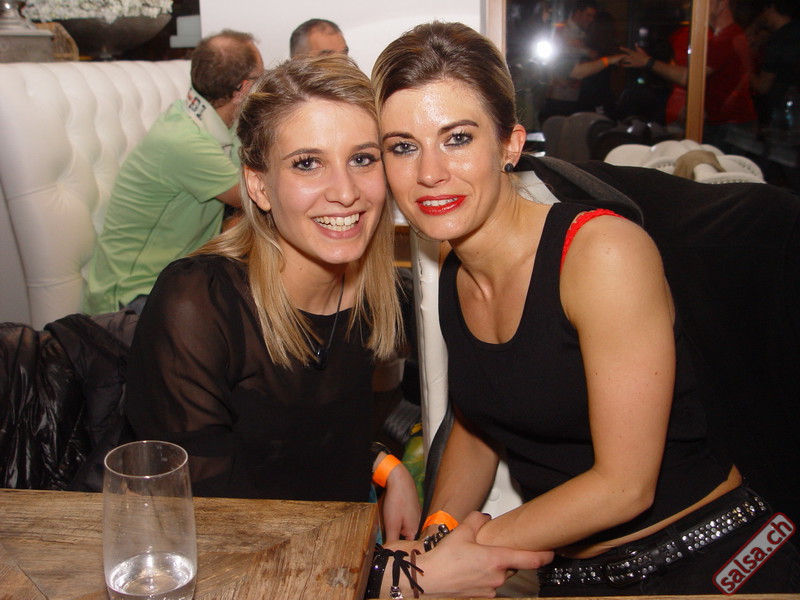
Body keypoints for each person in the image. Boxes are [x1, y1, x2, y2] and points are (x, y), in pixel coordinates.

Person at [372, 21, 800, 596]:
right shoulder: (455, 266)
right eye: (403, 147)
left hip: (706, 561)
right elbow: (479, 422)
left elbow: (625, 486)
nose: (429, 173)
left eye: (457, 138)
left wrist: (449, 561)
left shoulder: (600, 253)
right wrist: (437, 533)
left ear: (510, 145)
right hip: (571, 576)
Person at [124, 54, 551, 598]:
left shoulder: (372, 293)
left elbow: (287, 434)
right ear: (258, 184)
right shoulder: (196, 304)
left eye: (363, 159)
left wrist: (384, 466)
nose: (345, 191)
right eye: (307, 163)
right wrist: (398, 580)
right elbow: (204, 533)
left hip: (345, 548)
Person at [84, 30, 263, 315]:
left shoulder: (213, 122)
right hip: (134, 293)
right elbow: (259, 198)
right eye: (260, 78)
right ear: (242, 89)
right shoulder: (184, 141)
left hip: (182, 277)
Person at [620, 0, 757, 152]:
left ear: (721, 3)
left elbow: (688, 77)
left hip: (729, 125)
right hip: (728, 122)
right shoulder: (728, 35)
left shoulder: (726, 38)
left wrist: (647, 62)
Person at [540, 0, 624, 122]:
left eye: (593, 16)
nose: (590, 19)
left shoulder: (585, 32)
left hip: (579, 96)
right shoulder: (561, 30)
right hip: (561, 96)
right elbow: (558, 63)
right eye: (588, 15)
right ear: (577, 13)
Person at [750, 0, 800, 128]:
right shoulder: (794, 31)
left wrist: (745, 68)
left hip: (781, 111)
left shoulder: (778, 40)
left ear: (771, 7)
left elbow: (762, 86)